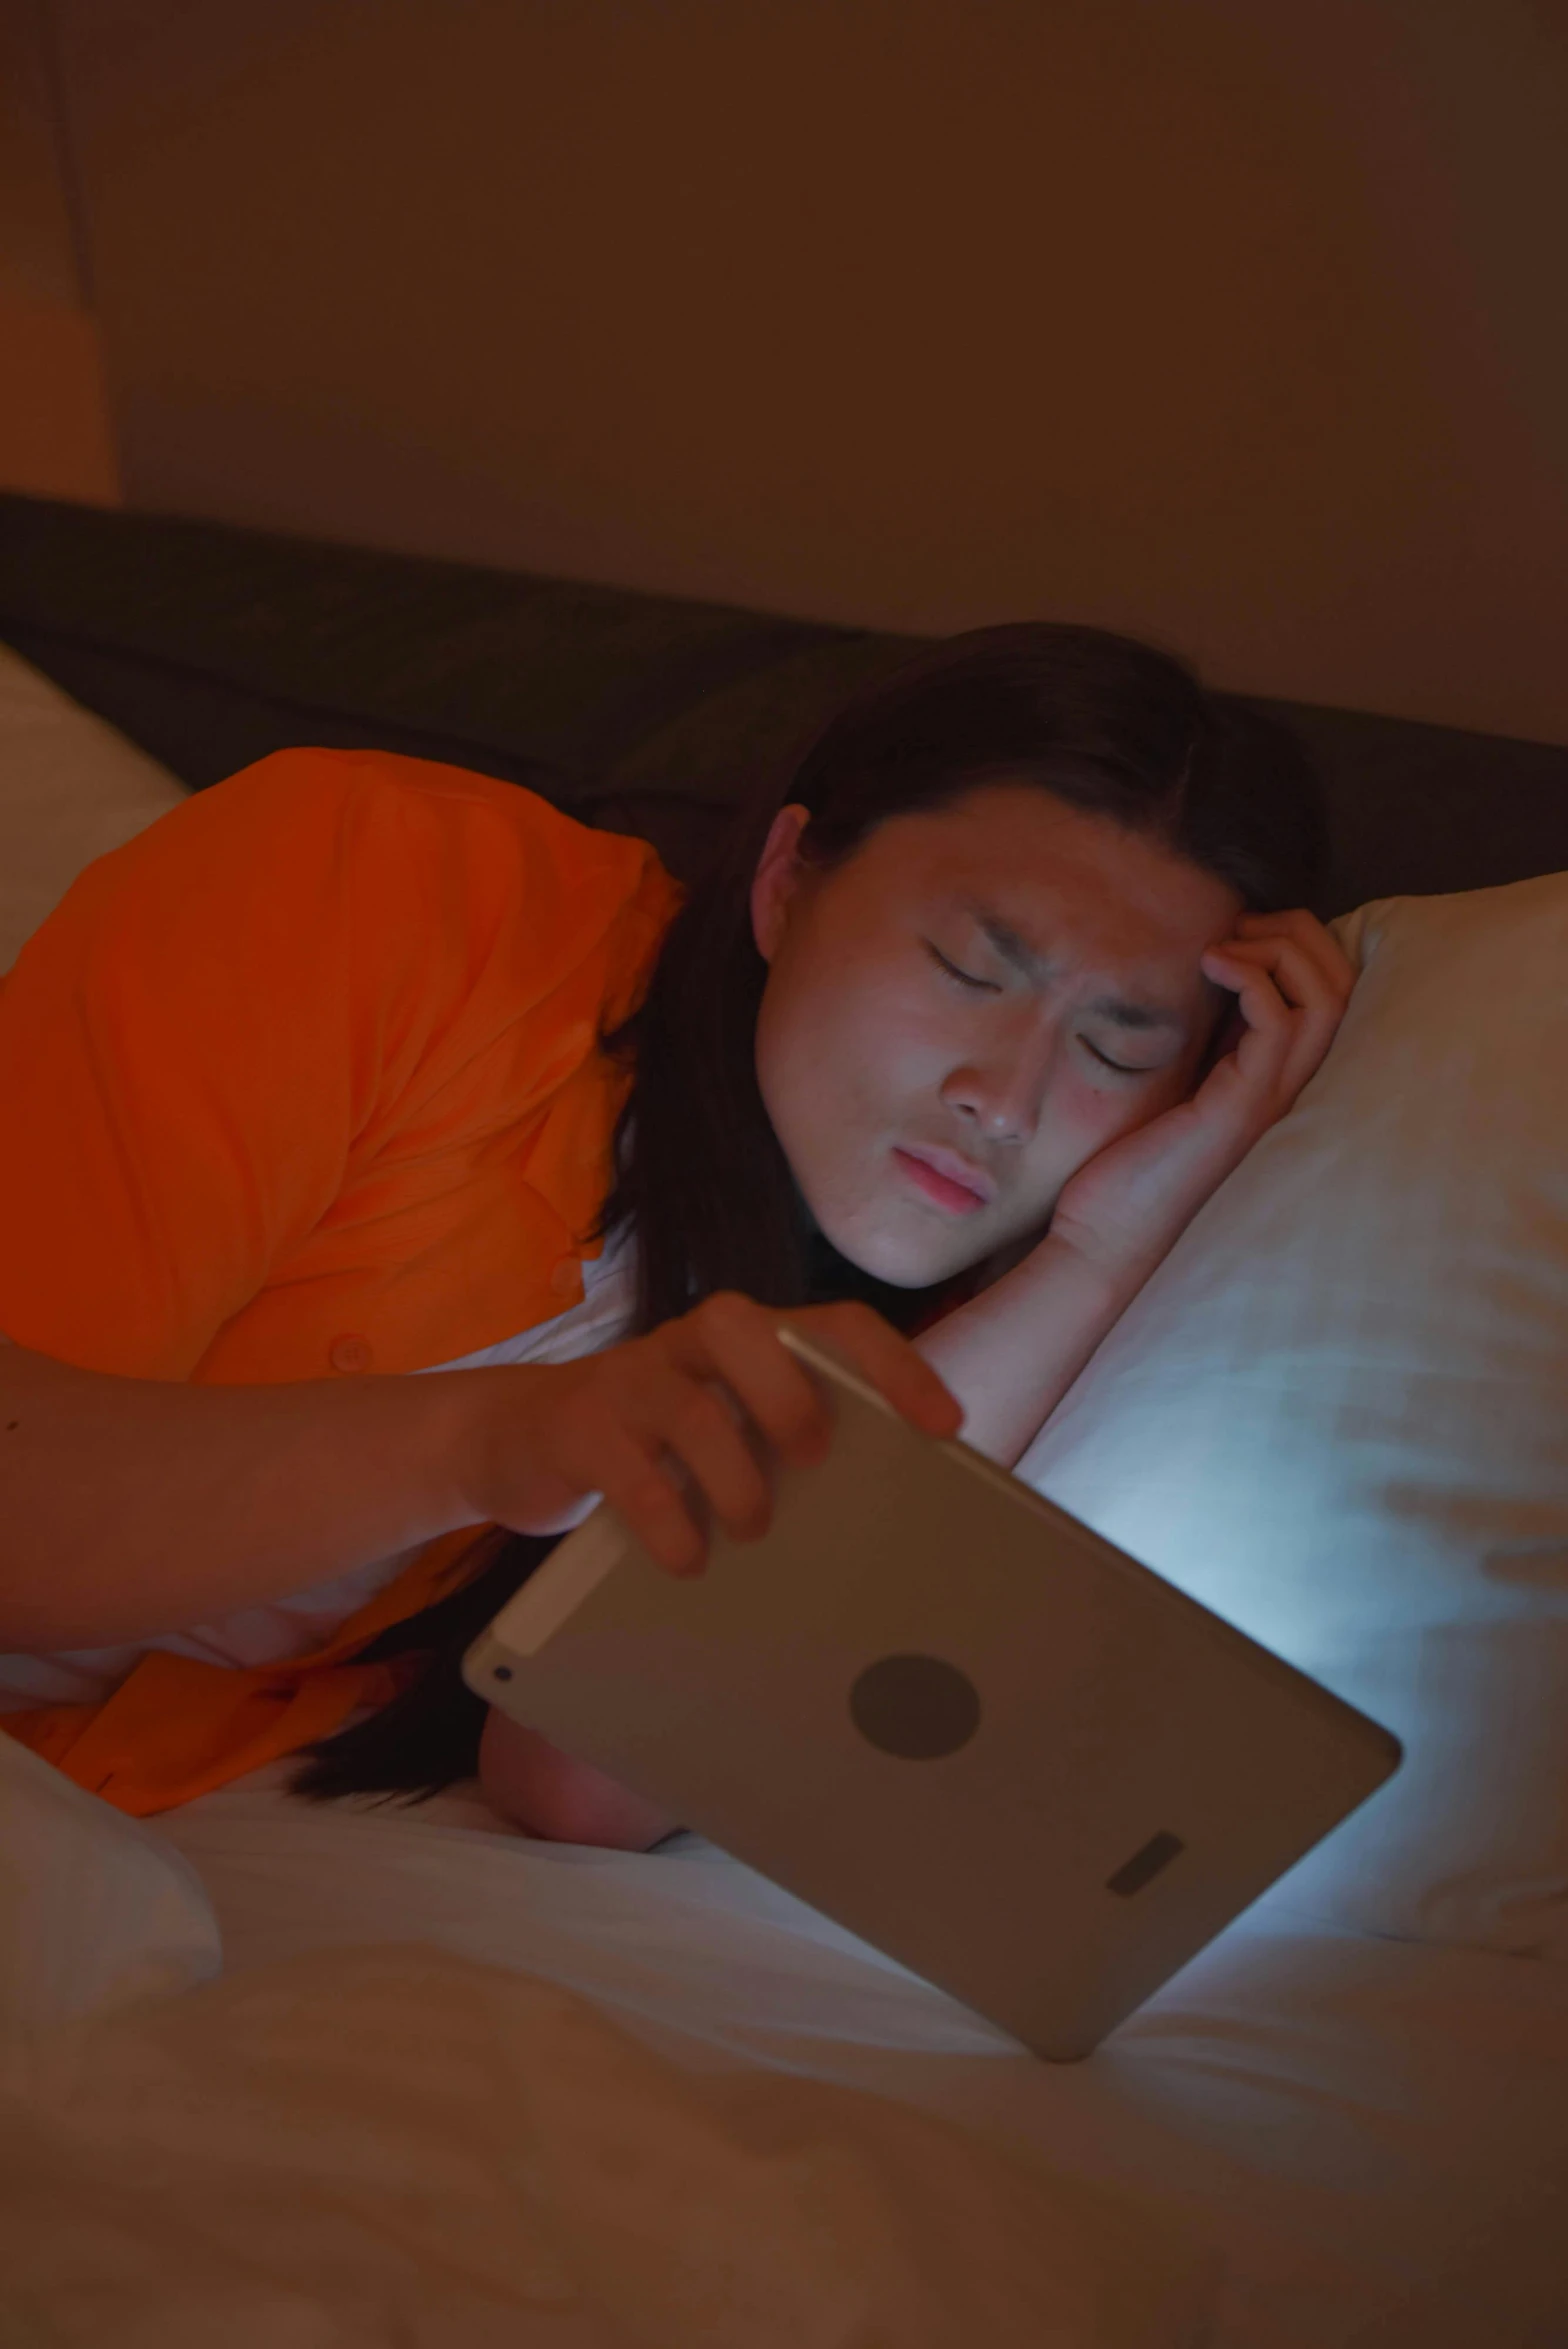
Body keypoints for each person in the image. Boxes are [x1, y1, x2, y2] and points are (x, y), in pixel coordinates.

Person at [0, 623, 1352, 1849]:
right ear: (783, 883)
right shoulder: (380, 878)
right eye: (966, 971)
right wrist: (499, 1438)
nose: (1002, 1102)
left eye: (1119, 1048)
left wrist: (1102, 1256)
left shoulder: (925, 1303)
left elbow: (585, 1775)